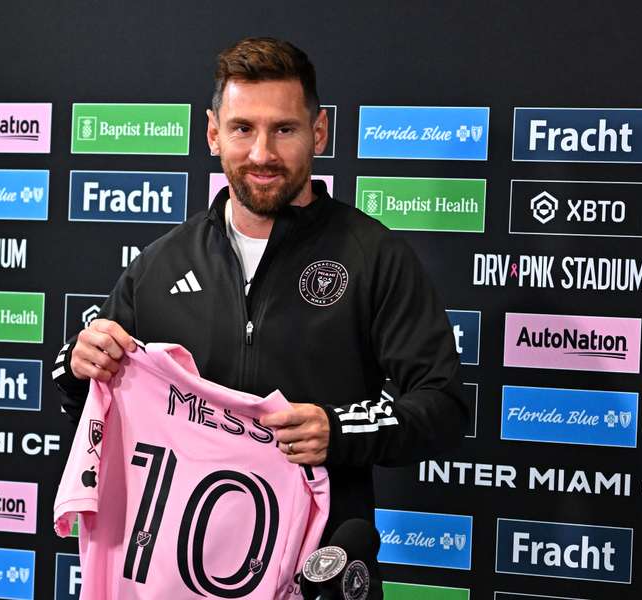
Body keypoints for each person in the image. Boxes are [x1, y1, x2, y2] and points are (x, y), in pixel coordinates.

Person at [52, 34, 467, 570]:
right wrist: (77, 364)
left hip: (317, 571)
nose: (262, 153)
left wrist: (339, 431)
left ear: (318, 133)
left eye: (285, 129)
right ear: (212, 133)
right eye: (242, 128)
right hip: (175, 573)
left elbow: (445, 407)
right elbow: (86, 398)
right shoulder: (159, 264)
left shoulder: (374, 256)